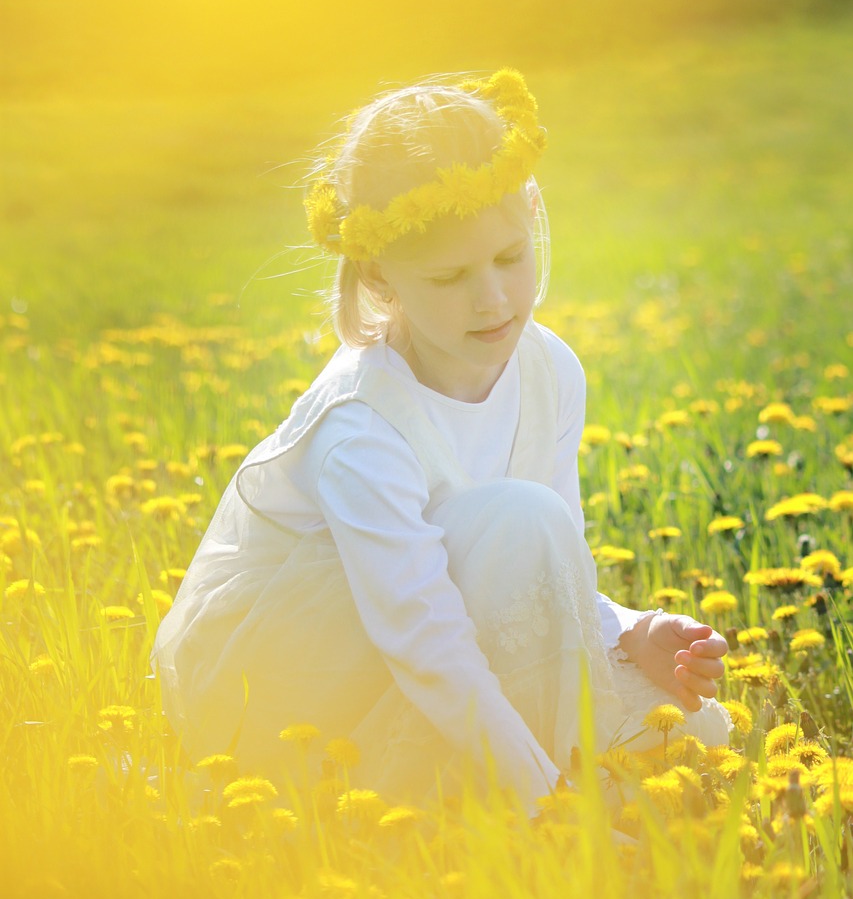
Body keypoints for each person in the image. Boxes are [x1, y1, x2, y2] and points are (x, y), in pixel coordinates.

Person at [151, 69, 730, 816]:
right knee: (520, 551)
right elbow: (424, 637)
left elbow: (545, 561)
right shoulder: (362, 424)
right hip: (284, 679)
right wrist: (543, 805)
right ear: (380, 276)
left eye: (509, 258)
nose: (492, 299)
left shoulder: (548, 368)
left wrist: (628, 630)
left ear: (530, 214)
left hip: (425, 629)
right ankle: (458, 793)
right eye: (450, 276)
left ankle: (518, 769)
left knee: (696, 730)